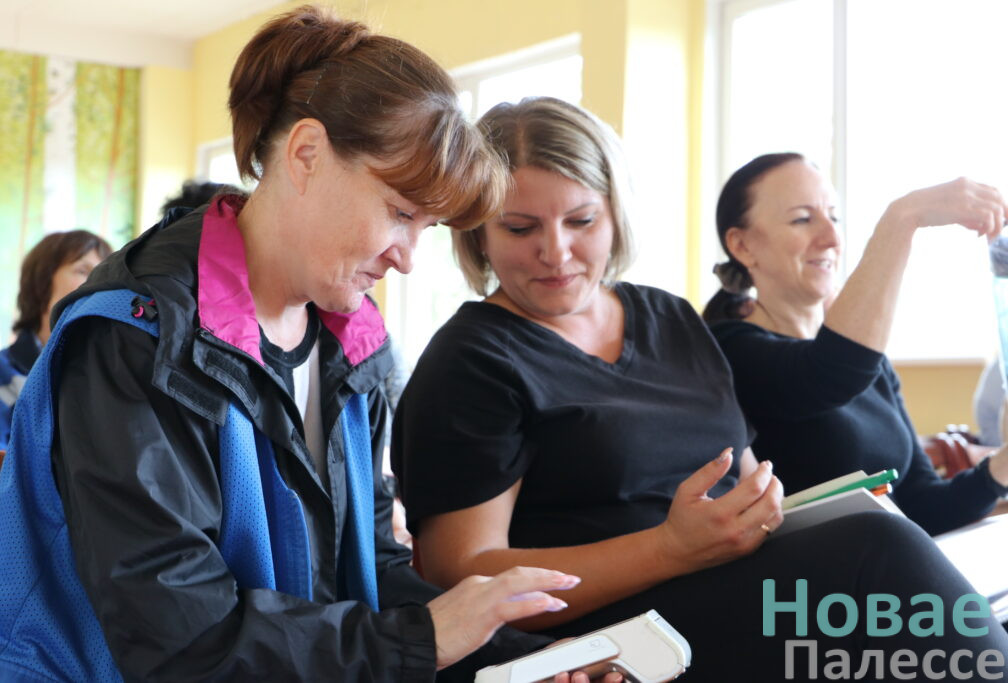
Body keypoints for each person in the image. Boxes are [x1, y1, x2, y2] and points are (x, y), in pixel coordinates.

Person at [0, 9, 610, 682]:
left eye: (426, 227)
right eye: (400, 212)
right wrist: (423, 640)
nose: (406, 258)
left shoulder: (355, 344)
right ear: (306, 154)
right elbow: (180, 634)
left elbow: (367, 572)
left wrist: (515, 658)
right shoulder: (138, 338)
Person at [392, 98, 1008, 681]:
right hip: (614, 634)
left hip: (726, 590)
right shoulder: (473, 360)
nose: (556, 251)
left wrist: (786, 512)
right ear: (479, 235)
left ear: (615, 215)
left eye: (581, 220)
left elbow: (745, 479)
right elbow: (463, 576)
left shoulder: (671, 319)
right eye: (520, 227)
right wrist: (668, 549)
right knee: (876, 554)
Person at [703, 153, 1008, 536]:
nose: (831, 239)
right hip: (813, 573)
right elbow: (830, 371)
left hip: (891, 564)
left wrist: (1001, 466)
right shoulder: (728, 352)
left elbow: (923, 505)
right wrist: (903, 217)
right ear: (742, 245)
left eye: (834, 217)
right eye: (802, 219)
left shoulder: (867, 361)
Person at [0, 229, 111, 451]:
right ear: (41, 283)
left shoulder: (115, 372)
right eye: (83, 270)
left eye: (105, 273)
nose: (99, 283)